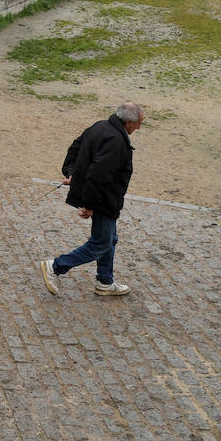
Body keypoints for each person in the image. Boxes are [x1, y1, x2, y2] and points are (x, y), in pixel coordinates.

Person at [36, 102, 143, 297]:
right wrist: (89, 205)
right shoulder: (117, 141)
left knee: (110, 239)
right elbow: (99, 176)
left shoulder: (99, 126)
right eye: (138, 124)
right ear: (128, 122)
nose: (139, 128)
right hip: (103, 200)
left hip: (101, 197)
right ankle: (55, 266)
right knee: (101, 243)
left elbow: (75, 148)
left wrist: (71, 172)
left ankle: (105, 281)